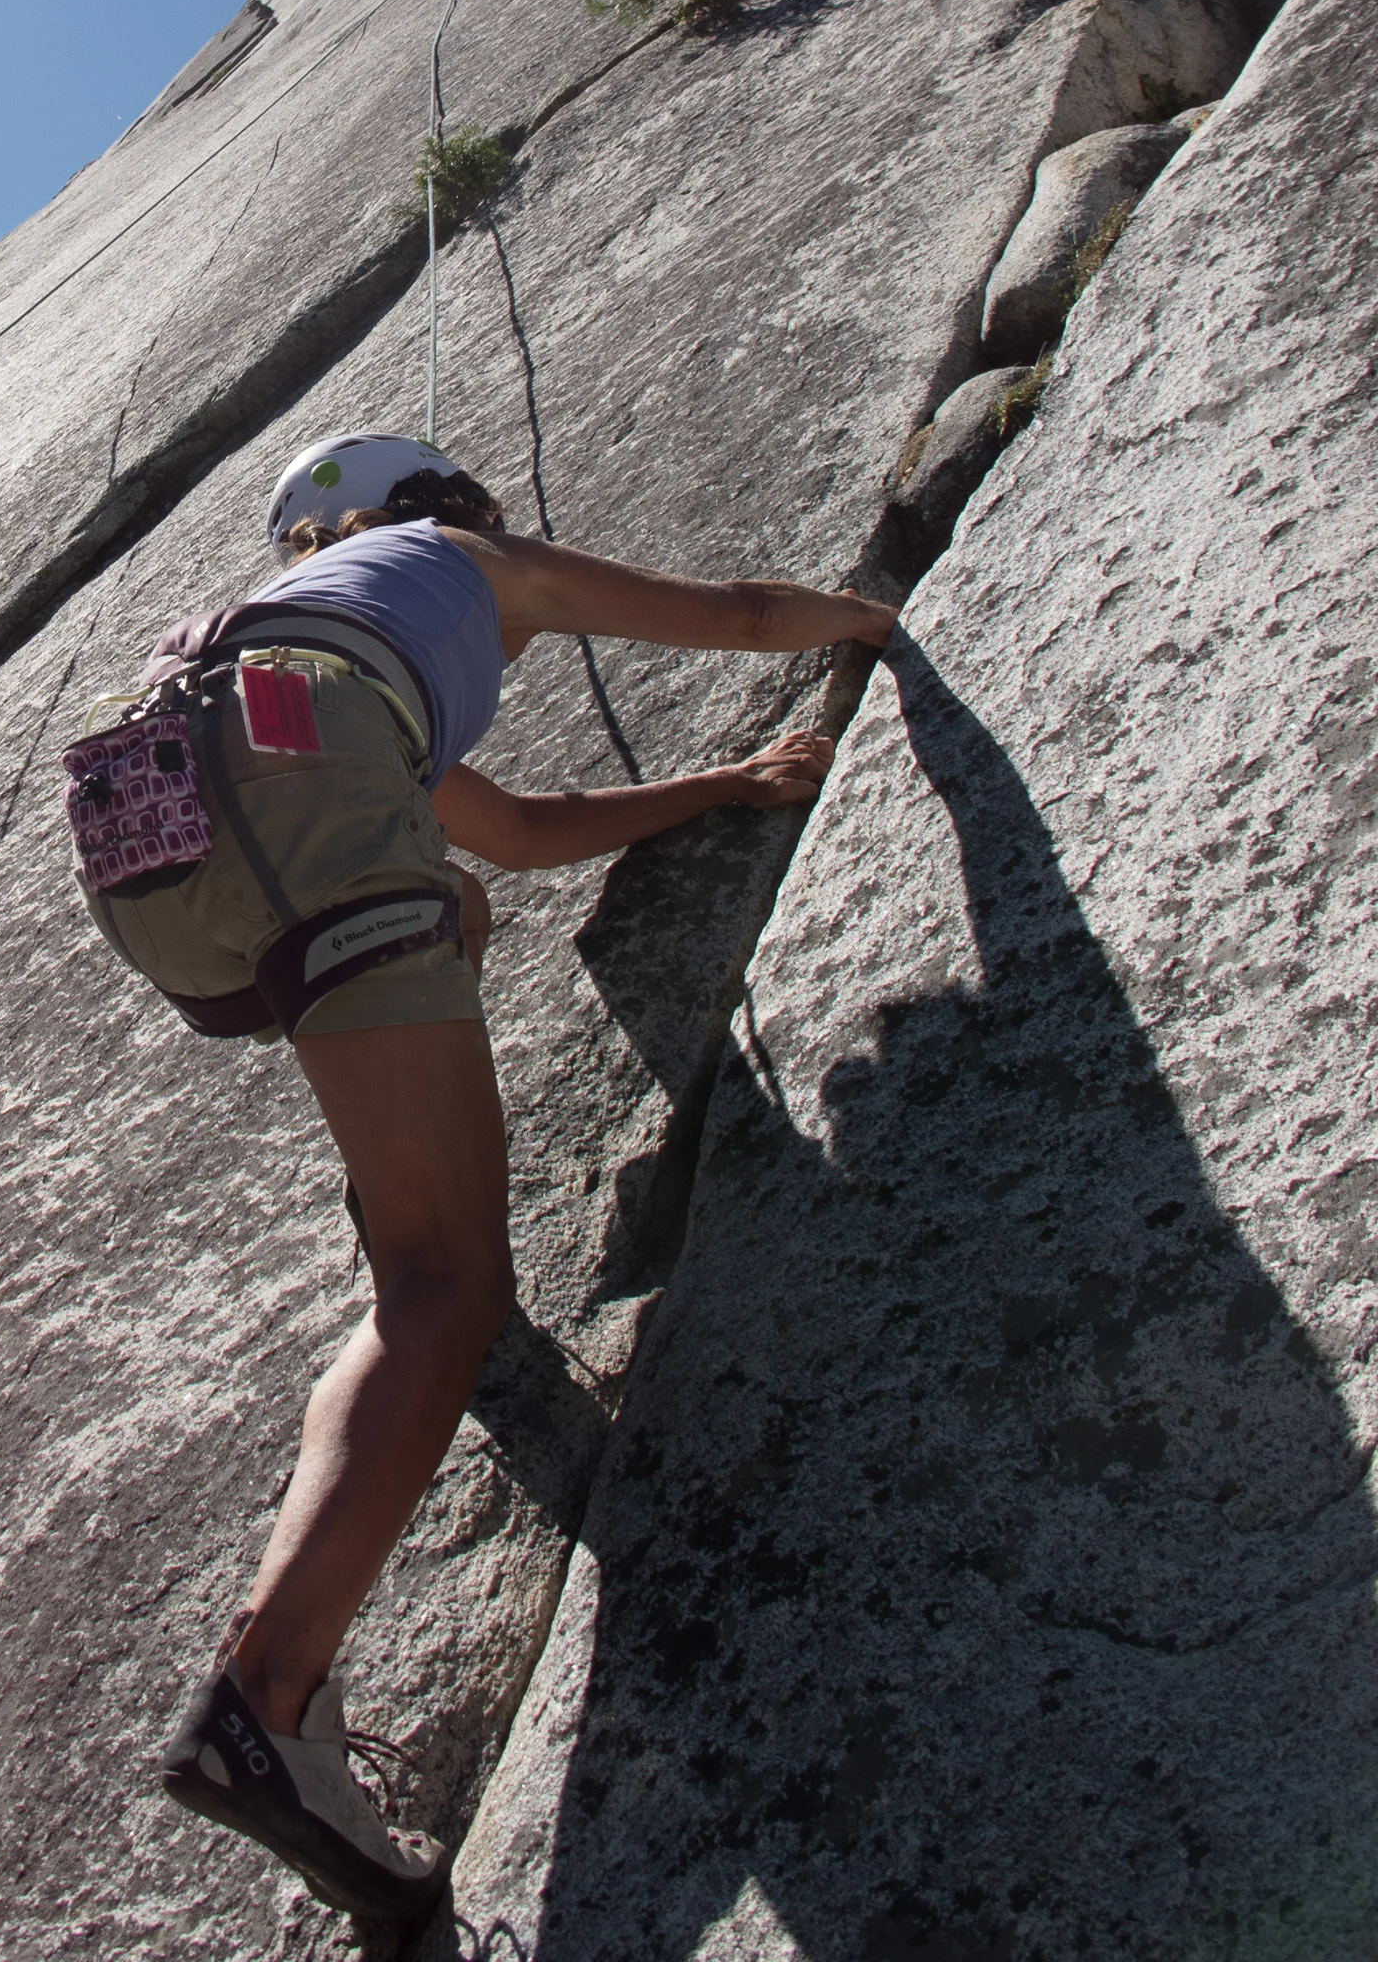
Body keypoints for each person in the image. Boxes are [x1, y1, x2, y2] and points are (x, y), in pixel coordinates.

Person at [67, 431, 897, 1925]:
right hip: (308, 786)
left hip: (157, 844)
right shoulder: (463, 562)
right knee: (450, 1286)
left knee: (443, 895)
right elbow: (737, 608)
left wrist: (725, 784)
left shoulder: (293, 629)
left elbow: (512, 836)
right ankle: (270, 1695)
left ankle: (403, 1198)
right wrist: (873, 618)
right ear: (431, 508)